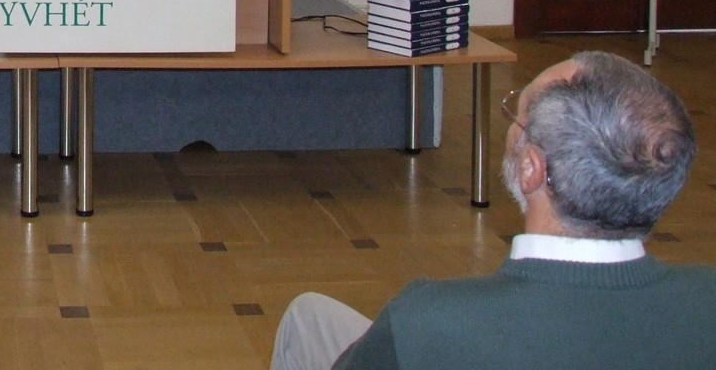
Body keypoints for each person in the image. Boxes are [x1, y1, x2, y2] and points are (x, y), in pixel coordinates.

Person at [270, 49, 716, 370]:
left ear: (531, 169)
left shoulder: (427, 322)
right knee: (310, 316)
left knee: (304, 323)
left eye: (516, 117)